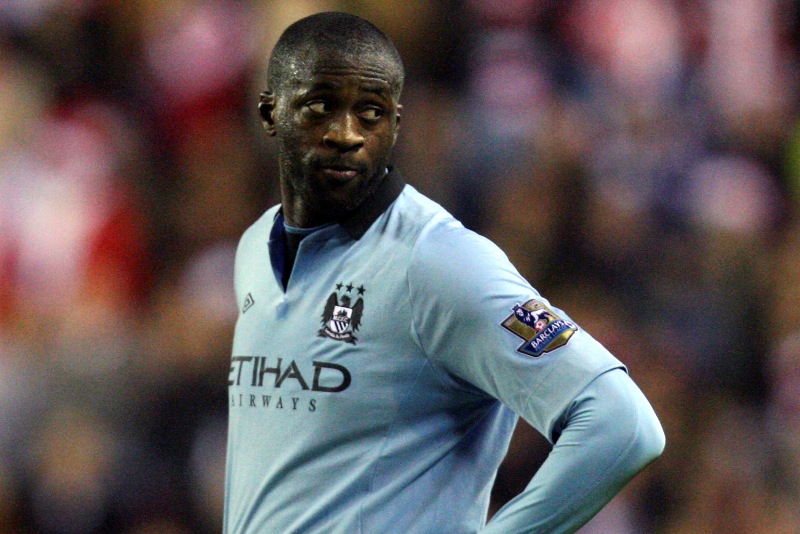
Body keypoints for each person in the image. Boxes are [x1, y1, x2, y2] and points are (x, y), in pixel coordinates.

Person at [224, 11, 665, 534]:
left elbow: (623, 425)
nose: (346, 133)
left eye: (370, 112)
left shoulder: (437, 261)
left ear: (396, 123)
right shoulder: (255, 247)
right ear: (270, 112)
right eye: (321, 106)